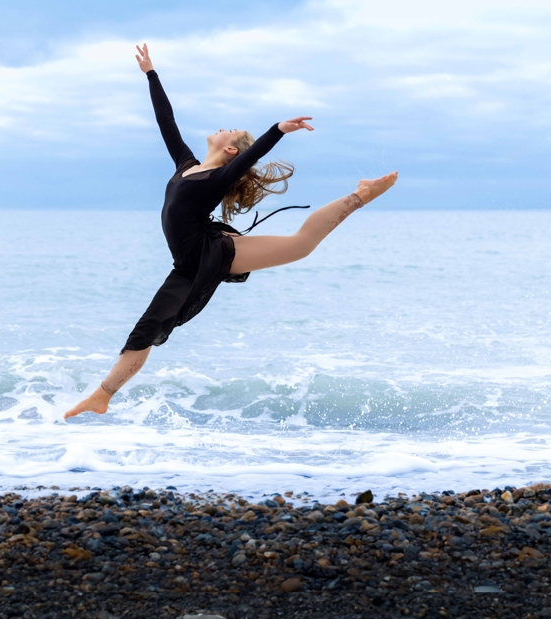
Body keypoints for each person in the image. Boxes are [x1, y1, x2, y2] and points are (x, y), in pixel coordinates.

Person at [65, 44, 396, 419]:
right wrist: (151, 75)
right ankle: (103, 397)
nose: (223, 128)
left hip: (207, 254)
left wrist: (278, 130)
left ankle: (361, 195)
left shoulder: (217, 178)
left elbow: (253, 155)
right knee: (147, 330)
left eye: (231, 131)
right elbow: (166, 121)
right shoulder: (186, 164)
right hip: (189, 263)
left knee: (300, 245)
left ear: (231, 152)